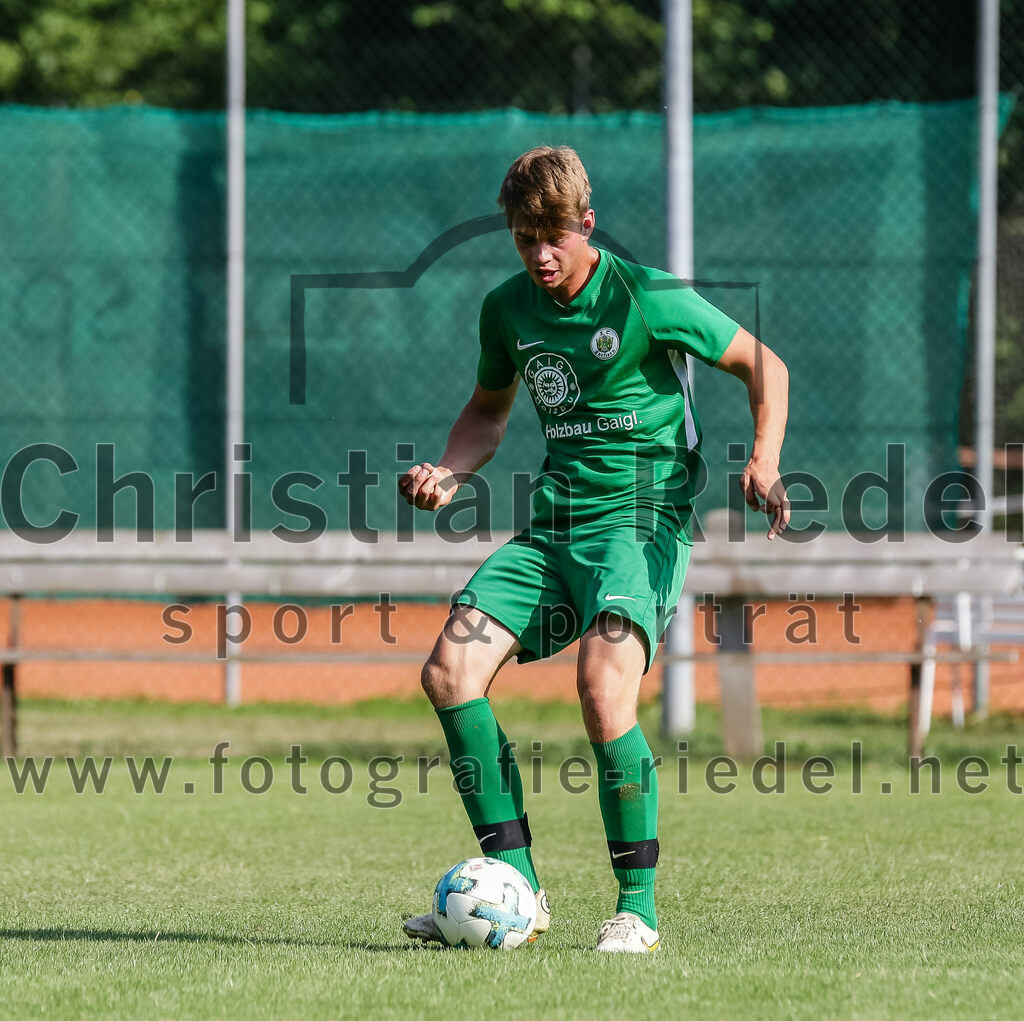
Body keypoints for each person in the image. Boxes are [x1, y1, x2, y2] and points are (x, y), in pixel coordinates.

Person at [398, 145, 789, 953]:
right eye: (524, 238)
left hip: (643, 522)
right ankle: (518, 892)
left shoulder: (646, 295)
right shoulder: (507, 310)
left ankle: (637, 909)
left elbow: (764, 365)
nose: (539, 254)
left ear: (587, 222)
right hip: (556, 527)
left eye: (554, 236)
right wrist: (449, 471)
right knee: (449, 671)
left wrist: (764, 458)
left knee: (603, 688)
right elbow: (487, 412)